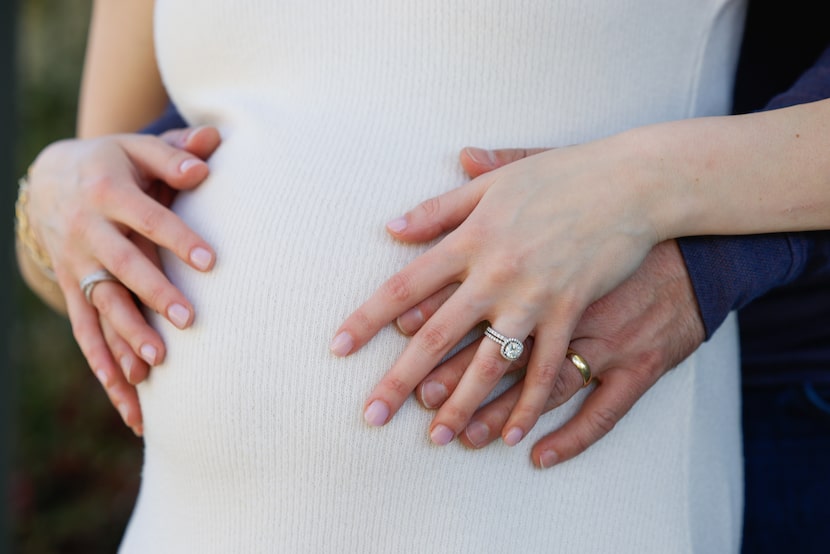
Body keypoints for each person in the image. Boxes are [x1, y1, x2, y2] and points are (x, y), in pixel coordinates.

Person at [13, 0, 827, 551]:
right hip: (198, 520)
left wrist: (648, 193)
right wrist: (51, 200)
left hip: (557, 498)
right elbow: (94, 236)